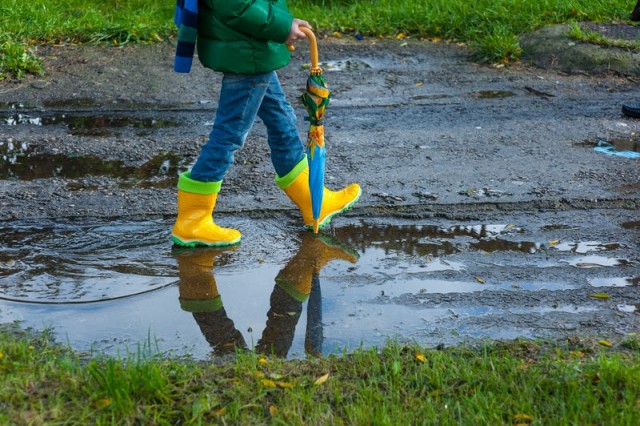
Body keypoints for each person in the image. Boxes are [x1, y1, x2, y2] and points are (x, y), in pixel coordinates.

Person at [171, 0, 361, 247]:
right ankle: (192, 220)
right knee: (230, 133)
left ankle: (312, 199)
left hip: (250, 47)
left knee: (281, 118)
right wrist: (283, 26)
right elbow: (237, 7)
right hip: (247, 51)